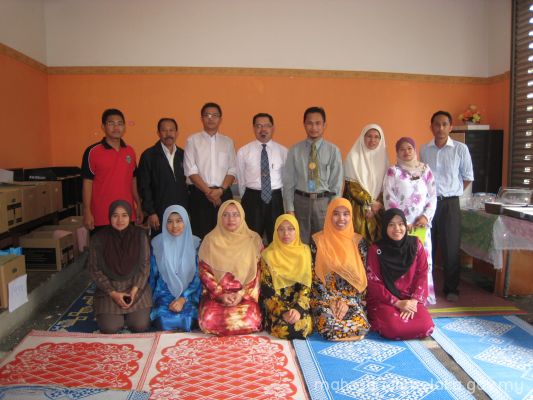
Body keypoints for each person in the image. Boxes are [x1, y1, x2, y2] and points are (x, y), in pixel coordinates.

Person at [420, 111, 473, 302]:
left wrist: (451, 192)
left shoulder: (460, 149)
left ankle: (451, 288)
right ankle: (425, 287)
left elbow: (467, 177)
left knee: (451, 247)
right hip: (428, 204)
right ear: (431, 127)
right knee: (427, 246)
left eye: (444, 124)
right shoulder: (424, 149)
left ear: (450, 127)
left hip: (450, 203)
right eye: (437, 124)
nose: (440, 128)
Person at [366, 208, 435, 340]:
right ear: (385, 227)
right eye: (391, 225)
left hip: (410, 299)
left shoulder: (415, 245)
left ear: (405, 225)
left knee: (426, 326)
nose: (397, 228)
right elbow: (373, 282)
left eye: (401, 224)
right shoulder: (376, 250)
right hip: (385, 300)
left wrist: (413, 302)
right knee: (393, 328)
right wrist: (397, 302)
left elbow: (422, 274)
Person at [383, 137, 437, 304]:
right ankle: (404, 295)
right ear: (397, 152)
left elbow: (433, 196)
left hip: (421, 224)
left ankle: (423, 296)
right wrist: (401, 223)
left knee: (423, 258)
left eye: (409, 148)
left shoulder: (425, 170)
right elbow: (388, 197)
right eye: (402, 149)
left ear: (414, 150)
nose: (406, 152)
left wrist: (425, 216)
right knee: (404, 258)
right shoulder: (393, 171)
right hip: (401, 226)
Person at [197, 200, 263, 335]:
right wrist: (221, 294)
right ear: (219, 217)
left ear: (242, 216)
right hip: (217, 296)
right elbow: (204, 272)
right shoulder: (210, 240)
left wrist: (241, 294)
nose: (231, 219)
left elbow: (259, 273)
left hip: (244, 296)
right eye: (225, 215)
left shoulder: (253, 239)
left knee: (252, 321)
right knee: (208, 321)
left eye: (235, 215)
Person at [310, 198, 369, 341]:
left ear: (351, 216)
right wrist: (330, 302)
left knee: (361, 324)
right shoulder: (318, 240)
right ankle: (350, 334)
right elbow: (314, 278)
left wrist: (346, 303)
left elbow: (362, 278)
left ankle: (342, 333)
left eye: (346, 214)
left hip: (351, 301)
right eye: (336, 214)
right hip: (324, 299)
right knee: (327, 325)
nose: (341, 218)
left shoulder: (359, 242)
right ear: (329, 215)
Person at [88, 200, 151, 334]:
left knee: (140, 326)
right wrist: (113, 293)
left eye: (124, 215)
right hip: (109, 290)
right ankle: (118, 315)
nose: (120, 220)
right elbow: (95, 270)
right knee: (109, 328)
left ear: (130, 216)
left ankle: (130, 315)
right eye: (115, 216)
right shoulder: (98, 239)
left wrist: (134, 291)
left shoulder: (140, 235)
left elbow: (145, 266)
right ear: (109, 217)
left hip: (135, 287)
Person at [283, 107, 343, 244]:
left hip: (324, 203)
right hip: (300, 202)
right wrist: (289, 209)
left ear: (324, 125)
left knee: (323, 243)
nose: (314, 127)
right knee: (300, 242)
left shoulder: (333, 151)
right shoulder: (294, 150)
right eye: (309, 123)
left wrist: (333, 209)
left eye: (318, 123)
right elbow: (288, 182)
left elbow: (337, 184)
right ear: (304, 124)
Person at [82, 109, 143, 231]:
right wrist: (86, 211)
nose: (116, 127)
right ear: (103, 127)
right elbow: (87, 183)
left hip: (127, 214)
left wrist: (139, 205)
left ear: (124, 127)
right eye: (111, 123)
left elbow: (133, 180)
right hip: (102, 216)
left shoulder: (130, 151)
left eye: (120, 123)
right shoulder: (93, 151)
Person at [184, 102, 237, 239]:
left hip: (223, 194)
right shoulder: (192, 140)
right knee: (201, 236)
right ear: (201, 118)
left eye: (215, 115)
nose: (211, 118)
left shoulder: (228, 142)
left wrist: (220, 191)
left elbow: (232, 169)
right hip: (199, 195)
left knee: (225, 236)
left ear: (220, 119)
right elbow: (191, 171)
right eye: (207, 115)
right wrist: (209, 192)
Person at [237, 113, 288, 243]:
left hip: (275, 199)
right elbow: (241, 179)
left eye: (267, 126)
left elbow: (286, 179)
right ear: (253, 128)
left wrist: (282, 200)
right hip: (252, 199)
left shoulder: (283, 151)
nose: (263, 129)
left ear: (273, 128)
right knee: (251, 239)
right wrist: (246, 198)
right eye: (259, 126)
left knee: (276, 238)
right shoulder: (243, 151)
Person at [260, 214, 313, 339]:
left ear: (297, 231)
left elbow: (308, 285)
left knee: (303, 326)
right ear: (275, 231)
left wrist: (298, 309)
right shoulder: (267, 255)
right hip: (277, 306)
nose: (286, 234)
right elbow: (267, 288)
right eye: (281, 229)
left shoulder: (305, 252)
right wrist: (283, 311)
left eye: (290, 229)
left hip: (298, 305)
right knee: (282, 328)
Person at [149, 205, 201, 331]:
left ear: (186, 221)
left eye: (179, 221)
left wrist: (183, 298)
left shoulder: (196, 244)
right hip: (164, 293)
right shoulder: (157, 244)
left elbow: (198, 277)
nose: (174, 226)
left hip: (190, 295)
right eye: (169, 221)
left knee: (187, 321)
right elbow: (153, 276)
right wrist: (154, 300)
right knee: (162, 321)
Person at [138, 118, 189, 237]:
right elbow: (144, 186)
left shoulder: (183, 155)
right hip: (159, 213)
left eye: (171, 130)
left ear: (176, 133)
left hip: (181, 212)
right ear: (158, 133)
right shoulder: (149, 155)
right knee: (160, 244)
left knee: (180, 243)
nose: (168, 134)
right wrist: (151, 212)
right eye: (164, 130)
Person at [343, 124, 389, 243]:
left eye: (376, 137)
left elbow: (387, 187)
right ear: (363, 137)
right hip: (358, 208)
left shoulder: (384, 160)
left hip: (379, 209)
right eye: (369, 136)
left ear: (381, 139)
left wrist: (376, 206)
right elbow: (352, 187)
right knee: (357, 244)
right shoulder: (353, 157)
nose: (372, 140)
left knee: (378, 245)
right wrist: (370, 203)